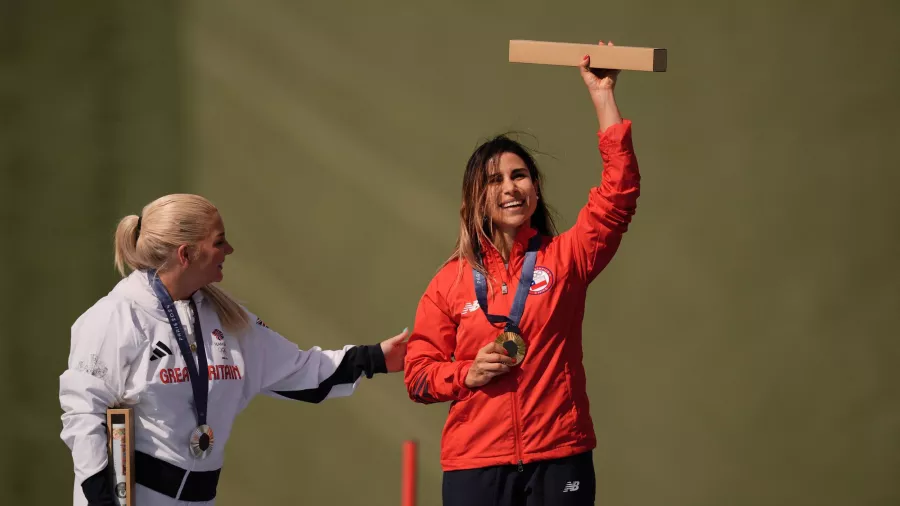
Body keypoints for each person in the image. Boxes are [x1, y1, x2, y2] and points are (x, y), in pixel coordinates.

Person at [403, 40, 641, 506]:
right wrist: (466, 374)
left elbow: (618, 197)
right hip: (476, 464)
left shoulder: (565, 258)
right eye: (494, 180)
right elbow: (417, 375)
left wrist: (603, 96)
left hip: (560, 455)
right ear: (475, 201)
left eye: (519, 175)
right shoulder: (448, 282)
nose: (510, 188)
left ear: (535, 187)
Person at [59, 193, 409, 505]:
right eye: (220, 242)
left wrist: (377, 357)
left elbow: (302, 371)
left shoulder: (228, 319)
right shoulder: (115, 317)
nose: (229, 250)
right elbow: (83, 415)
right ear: (187, 254)